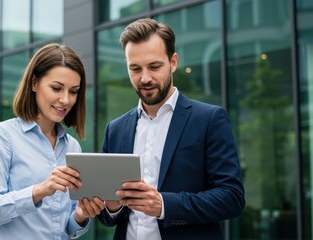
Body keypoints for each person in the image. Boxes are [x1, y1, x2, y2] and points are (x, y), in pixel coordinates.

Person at [97, 18, 245, 240]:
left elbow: (232, 198)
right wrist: (112, 206)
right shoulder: (115, 129)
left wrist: (164, 205)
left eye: (155, 66)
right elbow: (107, 217)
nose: (145, 78)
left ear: (173, 62)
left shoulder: (209, 119)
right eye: (135, 69)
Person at [0, 43, 105, 240]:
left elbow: (66, 229)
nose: (65, 100)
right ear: (34, 83)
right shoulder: (2, 136)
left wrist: (80, 216)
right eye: (56, 88)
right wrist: (40, 190)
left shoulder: (72, 147)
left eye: (73, 91)